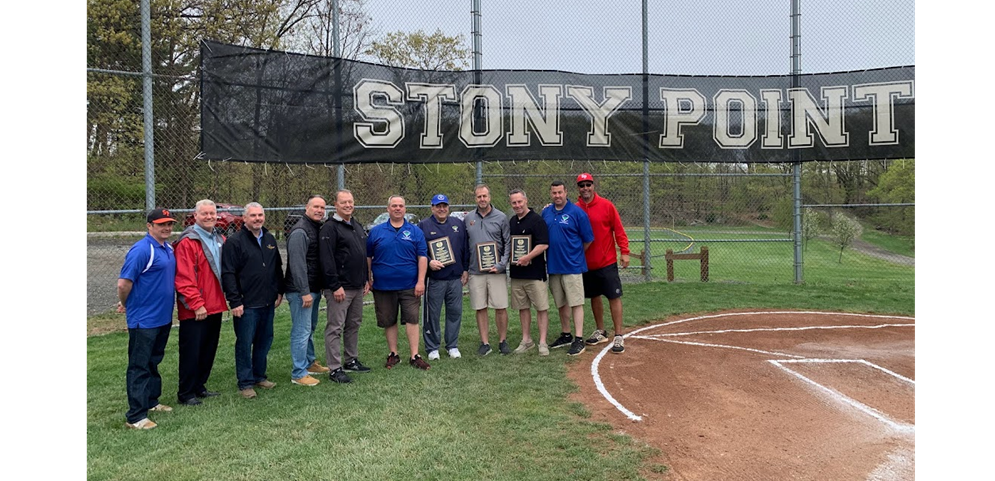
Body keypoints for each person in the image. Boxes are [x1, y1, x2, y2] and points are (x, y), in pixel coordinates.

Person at [117, 208, 178, 430]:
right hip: (144, 320)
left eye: (169, 223)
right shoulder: (142, 250)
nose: (167, 228)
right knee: (139, 366)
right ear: (149, 225)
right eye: (161, 224)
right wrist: (125, 303)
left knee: (154, 361)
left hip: (162, 318)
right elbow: (124, 284)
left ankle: (152, 401)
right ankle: (135, 416)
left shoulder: (168, 248)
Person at [221, 202, 285, 399]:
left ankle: (259, 376)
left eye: (260, 215)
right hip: (246, 304)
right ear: (245, 219)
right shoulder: (235, 242)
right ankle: (245, 382)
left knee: (264, 341)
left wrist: (279, 290)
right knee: (245, 343)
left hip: (267, 302)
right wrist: (235, 301)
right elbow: (228, 273)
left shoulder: (269, 238)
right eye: (253, 216)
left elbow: (276, 267)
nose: (257, 219)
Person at [366, 195, 431, 370]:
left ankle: (414, 355)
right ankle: (393, 354)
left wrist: (420, 281)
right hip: (383, 285)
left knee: (412, 319)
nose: (397, 208)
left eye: (400, 206)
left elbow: (422, 257)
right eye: (394, 205)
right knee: (389, 320)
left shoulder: (415, 231)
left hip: (410, 285)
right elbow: (368, 257)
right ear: (388, 209)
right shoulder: (376, 231)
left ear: (405, 209)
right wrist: (368, 278)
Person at [174, 199, 228, 406]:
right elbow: (184, 277)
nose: (209, 217)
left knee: (208, 349)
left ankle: (200, 386)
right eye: (204, 213)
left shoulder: (219, 238)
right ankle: (186, 392)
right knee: (191, 351)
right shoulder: (188, 242)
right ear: (195, 216)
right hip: (196, 308)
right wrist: (196, 304)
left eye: (212, 213)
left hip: (215, 304)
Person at [319, 190, 373, 384]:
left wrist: (366, 279)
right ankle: (334, 368)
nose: (348, 205)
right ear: (336, 204)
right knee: (335, 327)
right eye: (344, 202)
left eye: (350, 202)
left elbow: (362, 255)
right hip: (340, 288)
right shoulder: (330, 228)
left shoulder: (356, 225)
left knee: (354, 324)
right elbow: (326, 259)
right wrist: (334, 286)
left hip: (357, 285)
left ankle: (351, 359)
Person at [576, 173, 631, 354]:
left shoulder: (607, 205)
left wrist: (624, 251)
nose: (585, 188)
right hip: (586, 263)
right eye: (582, 185)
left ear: (593, 185)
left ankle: (618, 335)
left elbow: (619, 230)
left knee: (613, 296)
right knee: (594, 296)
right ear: (578, 188)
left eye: (588, 184)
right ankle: (601, 331)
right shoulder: (575, 209)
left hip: (606, 261)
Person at [541, 181, 594, 356]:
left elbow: (588, 239)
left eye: (560, 192)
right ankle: (566, 334)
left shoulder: (577, 213)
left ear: (566, 193)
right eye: (554, 193)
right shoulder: (546, 212)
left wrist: (575, 253)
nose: (557, 196)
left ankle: (578, 338)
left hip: (572, 266)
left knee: (576, 302)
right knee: (561, 303)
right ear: (550, 194)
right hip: (554, 266)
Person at [285, 195, 330, 387]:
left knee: (309, 328)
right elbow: (297, 264)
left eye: (322, 207)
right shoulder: (300, 231)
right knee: (301, 331)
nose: (319, 210)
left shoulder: (315, 227)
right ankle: (298, 373)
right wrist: (304, 291)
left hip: (313, 288)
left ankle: (310, 363)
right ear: (307, 207)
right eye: (316, 207)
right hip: (301, 291)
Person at [417, 194, 470, 360]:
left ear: (448, 207)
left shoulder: (458, 224)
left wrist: (466, 269)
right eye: (438, 206)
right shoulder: (423, 225)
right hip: (435, 279)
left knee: (455, 313)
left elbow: (465, 249)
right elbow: (418, 250)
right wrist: (430, 262)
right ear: (432, 208)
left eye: (444, 205)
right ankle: (432, 347)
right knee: (432, 314)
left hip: (455, 278)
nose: (441, 209)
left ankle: (452, 345)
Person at [465, 184, 512, 355]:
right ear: (475, 198)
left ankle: (502, 341)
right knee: (480, 307)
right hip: (476, 271)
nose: (482, 199)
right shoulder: (468, 218)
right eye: (479, 197)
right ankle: (484, 343)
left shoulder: (501, 217)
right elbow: (465, 244)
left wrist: (501, 264)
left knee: (500, 307)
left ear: (489, 197)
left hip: (496, 271)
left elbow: (508, 243)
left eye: (485, 196)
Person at [507, 189, 551, 356]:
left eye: (520, 202)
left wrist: (528, 257)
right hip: (517, 274)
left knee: (541, 307)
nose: (517, 205)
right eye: (514, 203)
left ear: (525, 200)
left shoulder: (537, 220)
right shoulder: (512, 221)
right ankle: (526, 340)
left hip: (535, 273)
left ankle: (542, 342)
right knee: (523, 308)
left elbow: (543, 244)